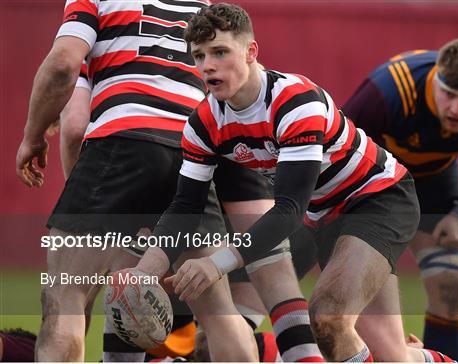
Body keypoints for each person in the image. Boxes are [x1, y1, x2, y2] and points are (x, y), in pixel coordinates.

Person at [132, 3, 427, 362]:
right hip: (318, 215)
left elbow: (287, 209)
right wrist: (144, 273)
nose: (208, 65)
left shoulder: (295, 102)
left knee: (328, 318)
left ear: (251, 51)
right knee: (391, 355)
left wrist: (215, 263)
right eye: (199, 55)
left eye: (220, 51)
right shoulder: (203, 123)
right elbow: (184, 208)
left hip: (376, 199)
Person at [15, 0, 257, 361]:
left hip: (121, 144)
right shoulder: (203, 5)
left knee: (66, 296)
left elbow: (64, 67)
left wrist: (32, 136)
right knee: (219, 311)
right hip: (193, 152)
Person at [341, 38, 458, 361]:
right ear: (435, 78)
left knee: (452, 283)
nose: (457, 109)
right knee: (354, 297)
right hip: (374, 180)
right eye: (449, 95)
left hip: (434, 180)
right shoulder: (390, 90)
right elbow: (340, 151)